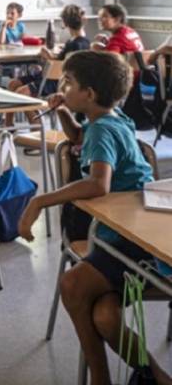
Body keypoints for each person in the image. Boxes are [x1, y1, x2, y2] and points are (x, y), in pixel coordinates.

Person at [18, 51, 172, 385]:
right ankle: (156, 378)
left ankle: (101, 380)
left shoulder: (102, 130)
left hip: (131, 238)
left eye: (68, 83)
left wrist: (40, 201)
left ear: (89, 94)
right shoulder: (107, 119)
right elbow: (78, 138)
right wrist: (61, 111)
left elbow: (98, 184)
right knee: (104, 315)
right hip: (123, 231)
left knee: (72, 285)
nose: (62, 86)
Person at [5, 4, 91, 126]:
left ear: (65, 23)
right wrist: (51, 56)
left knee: (20, 93)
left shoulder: (77, 44)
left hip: (55, 80)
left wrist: (49, 57)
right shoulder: (76, 41)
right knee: (13, 84)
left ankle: (36, 126)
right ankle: (8, 125)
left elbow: (65, 67)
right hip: (47, 75)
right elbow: (62, 60)